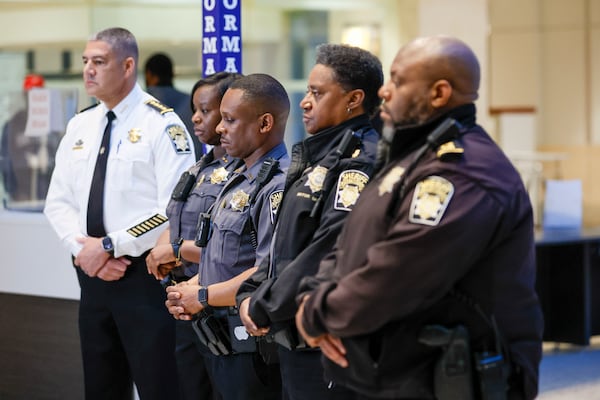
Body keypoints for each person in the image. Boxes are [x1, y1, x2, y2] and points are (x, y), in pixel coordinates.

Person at [295, 35, 544, 400]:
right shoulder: (412, 156)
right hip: (397, 374)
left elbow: (397, 273)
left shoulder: (464, 172)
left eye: (397, 80)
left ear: (439, 93)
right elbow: (350, 242)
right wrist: (310, 296)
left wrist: (315, 313)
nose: (384, 91)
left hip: (454, 379)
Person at [44, 27, 196, 400]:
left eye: (99, 62)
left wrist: (111, 245)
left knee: (159, 386)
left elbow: (172, 208)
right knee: (101, 387)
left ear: (128, 66)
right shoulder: (80, 125)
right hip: (91, 278)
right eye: (85, 62)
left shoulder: (162, 124)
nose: (88, 71)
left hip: (143, 278)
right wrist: (85, 251)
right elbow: (58, 202)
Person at [235, 44, 383, 400]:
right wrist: (250, 290)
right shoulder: (323, 156)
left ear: (354, 99)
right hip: (294, 338)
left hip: (327, 339)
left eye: (318, 93)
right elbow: (286, 247)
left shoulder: (359, 162)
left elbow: (329, 248)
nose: (305, 101)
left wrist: (262, 303)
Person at [165, 73, 290, 400]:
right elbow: (223, 255)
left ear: (264, 123)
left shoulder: (276, 185)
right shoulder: (239, 177)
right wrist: (189, 288)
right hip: (216, 337)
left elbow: (267, 273)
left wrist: (202, 295)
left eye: (230, 120)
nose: (220, 128)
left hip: (249, 343)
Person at [145, 71, 241, 400]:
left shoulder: (245, 174)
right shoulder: (200, 166)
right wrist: (162, 249)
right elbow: (176, 219)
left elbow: (232, 249)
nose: (196, 118)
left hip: (220, 306)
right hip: (185, 304)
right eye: (194, 110)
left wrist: (174, 250)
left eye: (206, 110)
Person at [145, 52, 203, 160]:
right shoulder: (192, 102)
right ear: (172, 74)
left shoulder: (141, 104)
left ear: (148, 74)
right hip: (192, 168)